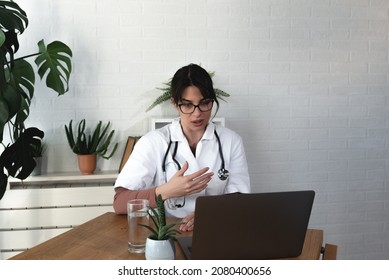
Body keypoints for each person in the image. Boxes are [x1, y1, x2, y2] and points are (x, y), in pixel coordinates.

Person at [113, 63, 250, 231]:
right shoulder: (153, 142)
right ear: (174, 103)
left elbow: (239, 199)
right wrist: (165, 191)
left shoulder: (231, 141)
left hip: (215, 228)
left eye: (204, 103)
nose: (197, 113)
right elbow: (120, 202)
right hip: (165, 234)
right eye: (187, 105)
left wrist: (207, 214)